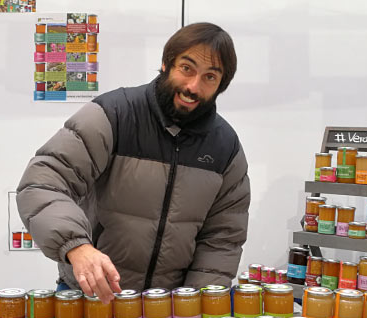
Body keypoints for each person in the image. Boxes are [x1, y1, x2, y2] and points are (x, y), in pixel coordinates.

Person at [17, 22, 250, 303]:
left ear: (220, 87)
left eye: (210, 77)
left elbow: (222, 239)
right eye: (186, 68)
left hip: (166, 311)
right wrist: (76, 246)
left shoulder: (225, 148)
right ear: (166, 64)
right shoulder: (115, 115)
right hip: (90, 298)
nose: (193, 86)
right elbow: (42, 182)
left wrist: (192, 305)